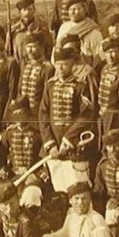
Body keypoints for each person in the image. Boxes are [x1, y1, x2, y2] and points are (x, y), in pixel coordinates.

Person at [40, 46, 99, 193]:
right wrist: (50, 144)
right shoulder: (50, 86)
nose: (61, 67)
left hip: (75, 147)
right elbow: (43, 114)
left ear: (73, 64)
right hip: (54, 148)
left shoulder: (81, 86)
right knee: (59, 190)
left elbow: (86, 116)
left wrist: (68, 140)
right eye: (58, 63)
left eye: (65, 64)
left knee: (79, 190)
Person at [0, 97, 45, 187]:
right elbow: (0, 154)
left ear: (27, 114)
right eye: (15, 114)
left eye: (21, 113)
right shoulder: (9, 133)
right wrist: (2, 168)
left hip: (32, 176)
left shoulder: (37, 134)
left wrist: (38, 176)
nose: (18, 117)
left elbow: (44, 160)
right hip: (13, 175)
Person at [54, 0, 104, 67]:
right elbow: (57, 48)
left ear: (85, 10)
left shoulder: (94, 32)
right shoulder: (64, 27)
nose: (73, 12)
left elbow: (99, 57)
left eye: (76, 9)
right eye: (70, 9)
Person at [16, 32, 53, 116]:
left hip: (38, 113)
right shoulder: (25, 66)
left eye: (33, 47)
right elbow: (19, 89)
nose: (30, 50)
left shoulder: (47, 69)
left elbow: (46, 95)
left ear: (42, 47)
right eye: (28, 47)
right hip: (23, 111)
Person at [11, 0, 53, 66]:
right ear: (20, 12)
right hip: (21, 66)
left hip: (40, 65)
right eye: (24, 9)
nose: (27, 12)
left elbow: (49, 47)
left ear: (34, 9)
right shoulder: (15, 30)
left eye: (30, 9)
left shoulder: (42, 26)